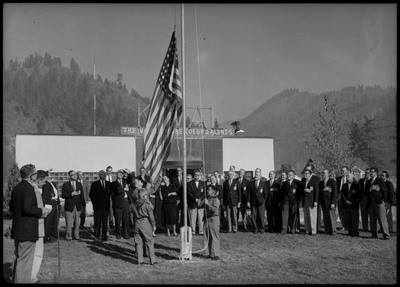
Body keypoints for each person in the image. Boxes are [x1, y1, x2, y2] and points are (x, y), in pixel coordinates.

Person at [10, 164, 51, 283]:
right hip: (27, 231)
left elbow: (12, 207)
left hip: (18, 230)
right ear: (32, 175)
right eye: (35, 173)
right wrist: (42, 210)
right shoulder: (29, 188)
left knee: (19, 260)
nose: (37, 175)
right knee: (25, 263)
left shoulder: (17, 188)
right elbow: (28, 209)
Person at [31, 170, 50, 283]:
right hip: (36, 226)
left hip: (31, 227)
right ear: (38, 180)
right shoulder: (35, 190)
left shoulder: (29, 188)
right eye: (44, 181)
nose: (45, 184)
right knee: (37, 253)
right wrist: (46, 211)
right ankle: (32, 277)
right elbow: (37, 210)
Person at [131, 189, 158, 265]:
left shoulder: (133, 204)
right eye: (146, 195)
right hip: (144, 222)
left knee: (138, 243)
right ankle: (152, 260)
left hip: (136, 222)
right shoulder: (146, 204)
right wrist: (153, 224)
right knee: (149, 241)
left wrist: (133, 224)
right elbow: (151, 217)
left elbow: (131, 215)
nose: (147, 196)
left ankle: (140, 260)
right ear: (143, 196)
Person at [61, 170, 86, 240]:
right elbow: (63, 195)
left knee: (77, 223)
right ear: (69, 176)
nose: (74, 175)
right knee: (69, 223)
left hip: (77, 206)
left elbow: (82, 195)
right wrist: (71, 194)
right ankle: (69, 236)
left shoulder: (79, 184)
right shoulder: (65, 185)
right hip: (69, 207)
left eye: (75, 174)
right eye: (72, 174)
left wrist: (83, 205)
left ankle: (76, 235)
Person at [367, 167, 390, 240]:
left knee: (382, 220)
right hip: (371, 203)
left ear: (376, 173)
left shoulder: (380, 180)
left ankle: (386, 235)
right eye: (370, 172)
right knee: (372, 220)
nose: (370, 173)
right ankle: (374, 234)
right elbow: (366, 192)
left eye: (372, 172)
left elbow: (384, 191)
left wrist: (383, 200)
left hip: (379, 203)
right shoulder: (368, 181)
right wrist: (370, 189)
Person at [200, 185, 221, 260]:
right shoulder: (207, 198)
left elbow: (215, 210)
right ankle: (207, 253)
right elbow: (199, 205)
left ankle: (216, 254)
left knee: (214, 237)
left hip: (213, 219)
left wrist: (208, 204)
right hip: (206, 219)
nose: (207, 191)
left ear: (213, 191)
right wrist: (202, 201)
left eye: (209, 190)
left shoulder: (216, 200)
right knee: (206, 237)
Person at [89, 170, 111, 241]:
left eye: (105, 174)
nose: (104, 175)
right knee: (97, 222)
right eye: (102, 174)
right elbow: (91, 195)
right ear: (99, 175)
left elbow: (110, 194)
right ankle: (97, 236)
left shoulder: (108, 184)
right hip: (97, 207)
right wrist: (94, 204)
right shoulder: (95, 184)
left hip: (106, 207)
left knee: (105, 222)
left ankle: (104, 236)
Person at [110, 170, 130, 239]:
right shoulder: (113, 183)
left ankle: (126, 234)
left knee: (126, 219)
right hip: (118, 202)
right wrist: (124, 189)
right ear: (116, 175)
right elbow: (116, 191)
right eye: (119, 174)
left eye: (121, 173)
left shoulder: (125, 182)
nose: (120, 175)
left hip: (126, 202)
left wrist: (128, 172)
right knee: (118, 219)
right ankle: (118, 233)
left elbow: (132, 178)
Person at [319, 169, 338, 235]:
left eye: (325, 173)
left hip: (330, 202)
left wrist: (333, 202)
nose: (323, 174)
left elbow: (335, 193)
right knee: (326, 217)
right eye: (323, 173)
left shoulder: (332, 181)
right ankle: (327, 231)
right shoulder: (321, 183)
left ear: (328, 174)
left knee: (331, 217)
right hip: (324, 203)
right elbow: (320, 193)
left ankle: (333, 231)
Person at [249, 168, 268, 234]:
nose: (256, 174)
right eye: (255, 172)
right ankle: (255, 228)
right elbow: (249, 194)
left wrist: (264, 200)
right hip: (253, 202)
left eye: (258, 172)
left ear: (260, 174)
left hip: (261, 202)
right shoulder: (251, 184)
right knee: (254, 216)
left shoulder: (263, 183)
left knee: (261, 216)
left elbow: (265, 193)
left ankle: (262, 228)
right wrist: (248, 202)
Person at [301, 169, 319, 235]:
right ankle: (307, 230)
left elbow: (317, 191)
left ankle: (313, 231)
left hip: (312, 201)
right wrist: (304, 190)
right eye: (304, 173)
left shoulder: (314, 180)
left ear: (310, 174)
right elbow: (301, 188)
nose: (305, 175)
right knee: (306, 216)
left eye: (306, 173)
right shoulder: (303, 180)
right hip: (305, 200)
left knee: (312, 216)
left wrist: (316, 201)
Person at [41, 175, 59, 243]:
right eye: (48, 175)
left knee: (54, 221)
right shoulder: (45, 184)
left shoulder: (53, 183)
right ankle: (45, 237)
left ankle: (53, 236)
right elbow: (45, 194)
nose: (50, 176)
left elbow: (56, 193)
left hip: (55, 202)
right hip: (48, 203)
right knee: (48, 221)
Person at [187, 170, 204, 234]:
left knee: (201, 217)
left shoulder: (203, 183)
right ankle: (193, 230)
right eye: (196, 175)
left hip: (200, 203)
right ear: (194, 175)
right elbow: (189, 192)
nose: (197, 176)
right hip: (192, 202)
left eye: (198, 175)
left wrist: (200, 199)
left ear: (200, 175)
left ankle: (201, 230)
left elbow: (204, 193)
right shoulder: (189, 183)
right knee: (192, 217)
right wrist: (195, 199)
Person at [336, 166, 349, 231]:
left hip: (347, 197)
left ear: (347, 171)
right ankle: (343, 226)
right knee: (341, 212)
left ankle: (348, 225)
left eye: (343, 170)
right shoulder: (338, 179)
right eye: (341, 170)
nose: (342, 172)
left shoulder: (349, 178)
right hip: (340, 196)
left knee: (347, 212)